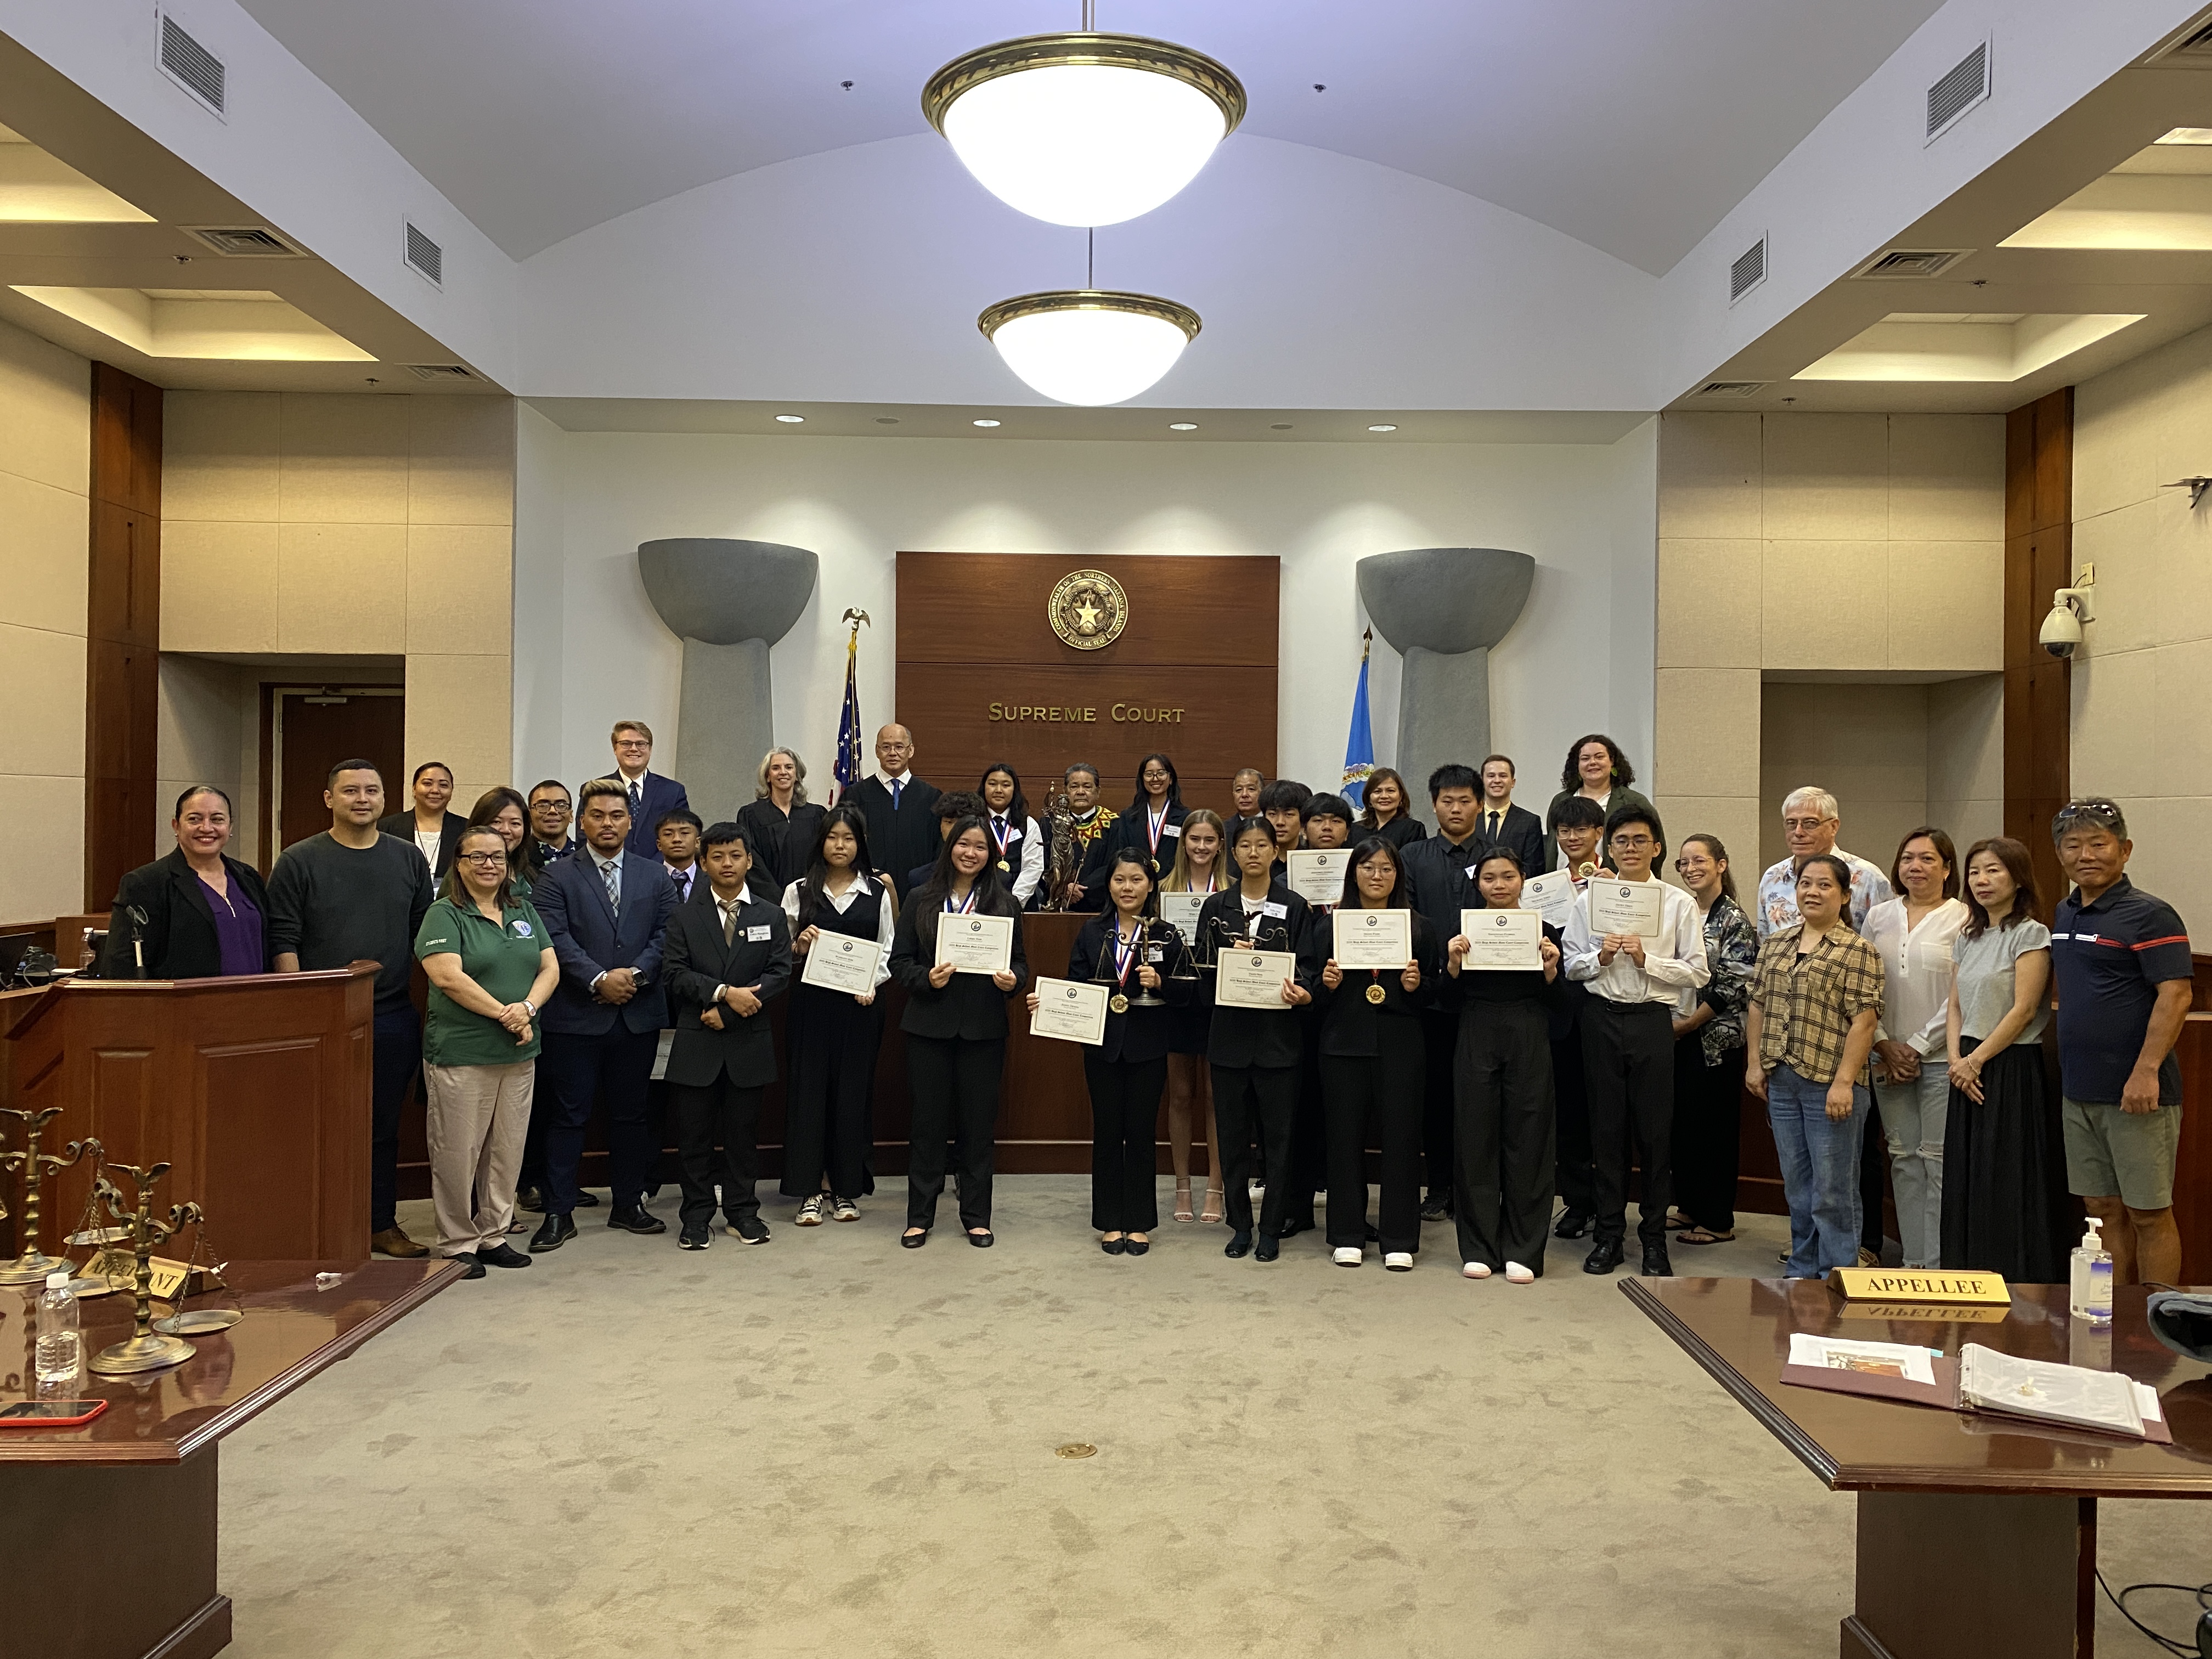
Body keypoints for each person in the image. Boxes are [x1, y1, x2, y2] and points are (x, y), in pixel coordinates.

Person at [268, 759, 435, 1259]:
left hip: (391, 1015)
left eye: (372, 791)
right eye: (350, 791)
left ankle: (380, 1223)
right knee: (319, 1125)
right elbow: (283, 937)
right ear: (329, 799)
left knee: (383, 1126)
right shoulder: (298, 860)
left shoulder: (407, 859)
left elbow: (426, 932)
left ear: (385, 800)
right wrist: (304, 1009)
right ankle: (315, 1226)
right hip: (320, 1018)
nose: (362, 799)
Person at [529, 778, 679, 1250]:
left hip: (636, 1015)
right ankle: (558, 1212)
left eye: (617, 816)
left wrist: (631, 977)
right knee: (567, 1116)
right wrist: (598, 979)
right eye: (597, 815)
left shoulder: (654, 875)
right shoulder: (556, 875)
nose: (608, 823)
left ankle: (628, 1205)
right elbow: (553, 938)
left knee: (632, 1116)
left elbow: (668, 935)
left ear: (630, 822)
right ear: (582, 821)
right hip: (575, 1015)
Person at [2049, 799, 2193, 1286]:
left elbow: (2176, 996)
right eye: (2073, 845)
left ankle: (2160, 1318)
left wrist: (2146, 1069)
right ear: (2059, 854)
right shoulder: (2063, 912)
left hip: (2139, 1094)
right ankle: (2112, 1315)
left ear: (2125, 850)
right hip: (2079, 1090)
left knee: (2148, 1212)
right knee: (2100, 1208)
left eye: (2098, 843)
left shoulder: (2151, 914)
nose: (2085, 854)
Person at [1562, 804, 1708, 1277]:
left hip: (1652, 1021)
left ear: (1657, 848)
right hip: (1601, 1019)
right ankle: (1608, 1237)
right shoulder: (1589, 901)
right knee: (1606, 1133)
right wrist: (1599, 957)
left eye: (1639, 841)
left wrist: (1649, 961)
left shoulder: (1678, 903)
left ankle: (1652, 1242)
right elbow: (1570, 965)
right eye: (1621, 841)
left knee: (1654, 1134)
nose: (1630, 848)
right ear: (1610, 847)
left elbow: (1698, 972)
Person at [1753, 785, 1896, 1267]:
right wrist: (1756, 1064)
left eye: (1824, 887)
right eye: (1805, 886)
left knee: (1835, 1188)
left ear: (1846, 895)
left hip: (1832, 1083)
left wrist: (1843, 1082)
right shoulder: (1776, 944)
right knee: (1798, 1184)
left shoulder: (1858, 949)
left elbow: (1865, 1021)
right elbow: (1758, 1003)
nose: (1812, 892)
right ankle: (1802, 1267)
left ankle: (1838, 1271)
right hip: (1783, 1078)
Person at [1033, 847, 1195, 1254]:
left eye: (1136, 880)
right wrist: (1049, 1003)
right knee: (1107, 1133)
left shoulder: (1167, 934)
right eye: (1120, 879)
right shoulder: (1092, 931)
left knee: (1140, 1135)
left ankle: (1139, 1223)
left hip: (1149, 1048)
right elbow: (1076, 984)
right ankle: (1109, 1221)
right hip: (1102, 1048)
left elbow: (1188, 994)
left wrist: (1160, 983)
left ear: (1150, 885)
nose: (1128, 887)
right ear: (1109, 884)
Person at [414, 825, 556, 1277]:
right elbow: (447, 977)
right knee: (458, 1150)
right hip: (462, 1052)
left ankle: (493, 1233)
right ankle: (458, 1242)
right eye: (478, 857)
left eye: (497, 857)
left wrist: (529, 1007)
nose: (489, 864)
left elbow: (550, 965)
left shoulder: (523, 908)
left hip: (519, 1054)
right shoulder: (444, 913)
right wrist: (505, 1014)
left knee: (507, 1149)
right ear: (460, 863)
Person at [889, 816, 1029, 1248]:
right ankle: (919, 1216)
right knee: (927, 1125)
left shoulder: (1004, 905)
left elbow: (1022, 965)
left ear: (992, 856)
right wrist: (926, 978)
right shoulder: (921, 899)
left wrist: (1013, 982)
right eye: (964, 844)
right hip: (929, 1026)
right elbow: (899, 963)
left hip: (984, 1029)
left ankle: (976, 1216)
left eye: (981, 847)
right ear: (950, 847)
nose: (971, 853)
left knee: (977, 1126)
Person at [1305, 837, 1437, 1270]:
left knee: (1402, 1140)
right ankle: (1347, 1232)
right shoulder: (1328, 927)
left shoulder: (1420, 927)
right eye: (1367, 868)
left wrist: (1418, 987)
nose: (1376, 876)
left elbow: (1437, 997)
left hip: (1402, 1044)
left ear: (1398, 875)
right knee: (1343, 1139)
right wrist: (1326, 986)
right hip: (1343, 1044)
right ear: (1353, 874)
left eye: (1385, 869)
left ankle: (1399, 1236)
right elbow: (1313, 1001)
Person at [662, 822, 793, 1251]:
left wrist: (730, 1013)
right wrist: (722, 996)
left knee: (742, 1137)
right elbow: (675, 973)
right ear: (703, 864)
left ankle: (742, 1212)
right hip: (697, 1041)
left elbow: (779, 973)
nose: (727, 864)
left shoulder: (769, 915)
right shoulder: (684, 915)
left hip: (746, 1042)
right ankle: (696, 1217)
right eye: (716, 857)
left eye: (735, 855)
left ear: (749, 860)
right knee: (694, 1139)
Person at [1943, 837, 2067, 1282]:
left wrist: (1975, 1061)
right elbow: (1954, 1006)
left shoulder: (2031, 934)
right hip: (1965, 1066)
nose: (1982, 880)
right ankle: (1965, 1273)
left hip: (2009, 1066)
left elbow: (2024, 1010)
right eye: (1975, 871)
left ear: (2017, 877)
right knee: (1967, 1176)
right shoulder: (1967, 937)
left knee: (2005, 1177)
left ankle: (2011, 1276)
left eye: (1993, 870)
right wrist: (1957, 1059)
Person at [1195, 814, 1314, 1261]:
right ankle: (1240, 1225)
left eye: (1262, 846)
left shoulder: (1295, 905)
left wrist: (1299, 989)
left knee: (1279, 1141)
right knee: (1232, 1139)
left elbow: (1307, 970)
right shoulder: (1216, 907)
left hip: (1278, 1042)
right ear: (1234, 852)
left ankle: (1270, 1228)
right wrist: (1229, 962)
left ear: (1275, 851)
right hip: (1228, 1042)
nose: (1253, 854)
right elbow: (1204, 983)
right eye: (1244, 846)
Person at [1446, 848, 1563, 1282]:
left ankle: (1525, 1251)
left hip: (1528, 1029)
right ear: (1478, 885)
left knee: (1529, 1138)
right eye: (1490, 878)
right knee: (1475, 1136)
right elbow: (1444, 1000)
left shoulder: (1544, 930)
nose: (1499, 885)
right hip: (1476, 1028)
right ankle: (1478, 1247)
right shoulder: (1464, 929)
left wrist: (1551, 970)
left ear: (1523, 880)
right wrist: (1454, 965)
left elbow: (1561, 1005)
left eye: (1508, 877)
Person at [782, 805, 895, 1223]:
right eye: (833, 837)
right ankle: (810, 1189)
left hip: (860, 1007)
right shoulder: (798, 890)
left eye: (849, 838)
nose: (841, 845)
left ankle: (845, 1189)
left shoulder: (878, 892)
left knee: (852, 1096)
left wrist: (872, 983)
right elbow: (782, 950)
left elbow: (888, 948)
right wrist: (800, 945)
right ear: (821, 842)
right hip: (811, 1007)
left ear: (860, 843)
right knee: (808, 1094)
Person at [1862, 828, 1967, 1271]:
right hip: (1884, 1056)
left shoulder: (1963, 917)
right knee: (1903, 1159)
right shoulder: (1878, 916)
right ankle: (1914, 1262)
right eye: (1908, 859)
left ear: (1947, 868)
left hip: (1943, 1059)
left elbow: (1961, 994)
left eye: (1927, 859)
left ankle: (1940, 1264)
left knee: (1938, 1162)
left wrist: (1919, 1047)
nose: (1916, 868)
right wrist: (1885, 1043)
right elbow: (1864, 985)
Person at [1402, 763, 1488, 1222]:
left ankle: (1474, 1189)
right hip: (1431, 995)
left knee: (1479, 1097)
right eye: (1447, 801)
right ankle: (1438, 1187)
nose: (1456, 809)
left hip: (1484, 997)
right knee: (1434, 1097)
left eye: (1465, 800)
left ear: (1480, 804)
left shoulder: (1499, 854)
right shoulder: (1413, 855)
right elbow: (1409, 919)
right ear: (1434, 805)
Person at [1667, 834, 1757, 1247]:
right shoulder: (1679, 912)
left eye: (1699, 861)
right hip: (1676, 1036)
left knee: (1715, 1130)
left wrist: (1688, 1025)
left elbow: (1734, 984)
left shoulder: (1733, 920)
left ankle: (1718, 1218)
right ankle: (1688, 1205)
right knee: (1683, 1125)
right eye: (1683, 863)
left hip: (1714, 1041)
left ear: (1721, 864)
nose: (1690, 869)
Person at [99, 785, 271, 978]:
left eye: (217, 819)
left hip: (255, 1001)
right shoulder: (146, 883)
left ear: (230, 827)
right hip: (183, 1004)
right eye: (194, 819)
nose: (206, 828)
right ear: (176, 826)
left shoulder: (249, 877)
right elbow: (121, 964)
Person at [1160, 807, 1228, 1223]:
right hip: (1176, 1002)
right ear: (1183, 843)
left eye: (1209, 840)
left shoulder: (1234, 890)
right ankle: (1183, 1186)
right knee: (1181, 1096)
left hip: (1220, 1002)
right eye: (1194, 839)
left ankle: (1216, 1188)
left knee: (1217, 1099)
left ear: (1221, 845)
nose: (1201, 847)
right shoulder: (1163, 889)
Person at [1547, 797, 1609, 1240]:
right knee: (1568, 1113)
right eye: (1565, 831)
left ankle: (1608, 1205)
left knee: (1606, 1113)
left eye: (1582, 830)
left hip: (1606, 1007)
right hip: (1559, 1010)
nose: (1573, 837)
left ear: (1598, 834)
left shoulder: (1622, 882)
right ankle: (1576, 1201)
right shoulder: (1542, 886)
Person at [1754, 786, 1895, 936]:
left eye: (1810, 823)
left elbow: (1884, 946)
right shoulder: (1772, 877)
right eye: (1791, 823)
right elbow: (1764, 945)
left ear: (1834, 827)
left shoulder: (1868, 878)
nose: (1798, 832)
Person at [848, 725, 941, 895]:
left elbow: (938, 849)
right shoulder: (856, 796)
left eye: (899, 747)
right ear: (877, 751)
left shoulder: (931, 797)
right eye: (886, 747)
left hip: (919, 890)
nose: (892, 753)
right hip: (867, 890)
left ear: (911, 750)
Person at [1544, 736, 1659, 873]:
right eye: (1585, 759)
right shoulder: (1560, 800)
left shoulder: (1634, 801)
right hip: (1562, 884)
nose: (1592, 762)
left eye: (1599, 757)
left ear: (1612, 762)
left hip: (1614, 885)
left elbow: (1655, 847)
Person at [737, 747, 827, 906]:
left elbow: (822, 858)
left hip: (811, 900)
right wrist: (779, 901)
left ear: (797, 775)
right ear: (768, 777)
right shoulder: (751, 815)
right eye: (776, 768)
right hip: (767, 902)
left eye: (789, 767)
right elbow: (753, 861)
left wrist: (810, 893)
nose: (783, 772)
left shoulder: (816, 814)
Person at [1096, 753, 1186, 884]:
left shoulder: (1185, 817)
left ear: (1171, 778)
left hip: (1173, 885)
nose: (1155, 779)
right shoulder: (1128, 817)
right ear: (1142, 780)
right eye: (1149, 774)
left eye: (1161, 773)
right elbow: (1123, 854)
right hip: (1136, 886)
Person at [606, 720, 690, 859]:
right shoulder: (597, 789)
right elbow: (585, 836)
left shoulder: (673, 792)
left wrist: (651, 869)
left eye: (641, 744)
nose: (634, 749)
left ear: (650, 750)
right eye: (626, 744)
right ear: (615, 749)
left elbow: (681, 835)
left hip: (658, 872)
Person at [379, 760, 466, 880]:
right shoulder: (386, 828)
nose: (435, 790)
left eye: (444, 785)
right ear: (414, 788)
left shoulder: (467, 829)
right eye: (427, 784)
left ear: (451, 792)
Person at [977, 761, 1044, 906]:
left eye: (1006, 785)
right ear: (984, 788)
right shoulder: (973, 822)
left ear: (1015, 790)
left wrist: (1014, 902)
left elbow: (1033, 867)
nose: (999, 790)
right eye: (992, 784)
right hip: (979, 898)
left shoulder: (1028, 823)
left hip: (1021, 902)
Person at [1472, 754, 1545, 877]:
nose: (1497, 781)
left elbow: (1534, 867)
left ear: (1513, 782)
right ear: (1482, 781)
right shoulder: (1470, 818)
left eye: (1503, 776)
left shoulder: (1529, 822)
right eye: (1491, 776)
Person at [910, 791, 986, 898]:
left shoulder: (1001, 880)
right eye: (949, 822)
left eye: (961, 823)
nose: (954, 830)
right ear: (940, 826)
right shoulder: (919, 877)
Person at [465, 786, 534, 894]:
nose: (506, 830)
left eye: (515, 823)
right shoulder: (464, 872)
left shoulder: (527, 870)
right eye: (496, 822)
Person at [1356, 767, 1426, 850]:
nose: (1384, 796)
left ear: (1401, 796)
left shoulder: (1413, 829)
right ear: (1369, 798)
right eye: (1377, 791)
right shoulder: (1355, 830)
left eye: (1391, 791)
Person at [1259, 778, 1311, 876]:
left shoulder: (1311, 858)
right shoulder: (1256, 858)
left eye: (1289, 814)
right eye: (1272, 814)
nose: (1280, 822)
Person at [658, 809, 705, 906]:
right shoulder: (647, 882)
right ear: (659, 845)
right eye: (668, 834)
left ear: (698, 842)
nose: (677, 839)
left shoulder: (712, 883)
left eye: (685, 833)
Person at [527, 780, 577, 869]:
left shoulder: (588, 856)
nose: (553, 811)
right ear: (529, 815)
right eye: (543, 805)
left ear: (571, 815)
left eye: (561, 805)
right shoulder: (519, 857)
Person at [1225, 767, 1266, 848]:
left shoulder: (1274, 826)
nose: (1244, 795)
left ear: (1263, 792)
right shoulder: (1224, 830)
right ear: (1233, 794)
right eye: (1239, 790)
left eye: (1251, 789)